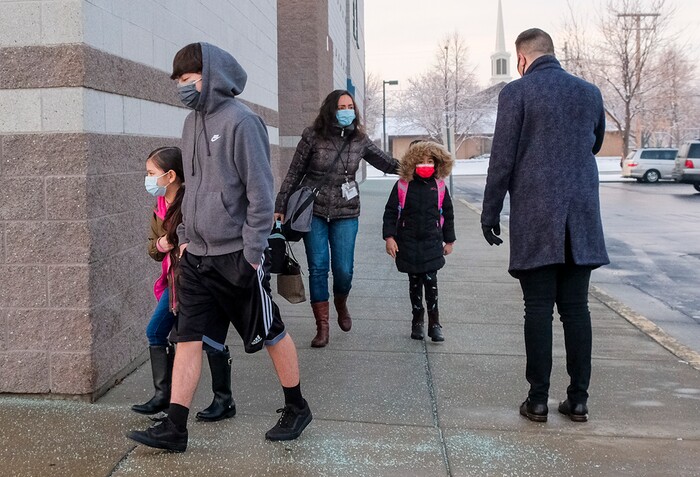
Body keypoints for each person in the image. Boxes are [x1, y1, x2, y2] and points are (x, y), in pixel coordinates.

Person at [127, 42, 311, 452]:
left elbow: (261, 195)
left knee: (270, 331)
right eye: (178, 82)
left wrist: (251, 253)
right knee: (187, 337)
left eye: (188, 80)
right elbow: (193, 187)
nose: (183, 88)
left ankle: (297, 406)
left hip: (236, 256)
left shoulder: (243, 123)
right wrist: (187, 238)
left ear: (211, 77)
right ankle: (176, 427)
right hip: (197, 256)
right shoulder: (191, 124)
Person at [481, 28, 609, 423]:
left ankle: (537, 400)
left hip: (536, 217)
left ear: (521, 59)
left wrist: (490, 213)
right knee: (576, 310)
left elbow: (502, 158)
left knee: (536, 308)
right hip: (581, 218)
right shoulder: (589, 92)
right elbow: (596, 143)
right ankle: (579, 400)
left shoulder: (516, 93)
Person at [274, 89, 399, 348]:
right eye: (341, 106)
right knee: (318, 268)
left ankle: (341, 302)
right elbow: (294, 172)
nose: (347, 111)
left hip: (346, 211)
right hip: (313, 210)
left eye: (350, 106)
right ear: (331, 109)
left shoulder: (360, 139)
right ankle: (322, 327)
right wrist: (281, 204)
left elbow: (386, 163)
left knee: (343, 270)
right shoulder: (312, 136)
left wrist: (420, 168)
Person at [131, 146, 236, 423]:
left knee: (208, 340)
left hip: (200, 281)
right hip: (173, 283)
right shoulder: (159, 208)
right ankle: (163, 397)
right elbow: (152, 250)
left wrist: (180, 244)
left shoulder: (191, 203)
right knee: (157, 331)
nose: (149, 179)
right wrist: (161, 244)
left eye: (152, 173)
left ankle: (224, 400)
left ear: (171, 175)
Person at [382, 141, 455, 342]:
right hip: (408, 243)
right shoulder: (403, 186)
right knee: (414, 285)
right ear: (412, 163)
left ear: (437, 163)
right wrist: (389, 237)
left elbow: (447, 214)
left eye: (430, 161)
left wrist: (449, 241)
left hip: (432, 243)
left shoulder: (439, 186)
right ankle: (417, 321)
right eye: (421, 161)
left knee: (431, 284)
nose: (425, 165)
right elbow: (390, 213)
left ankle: (435, 323)